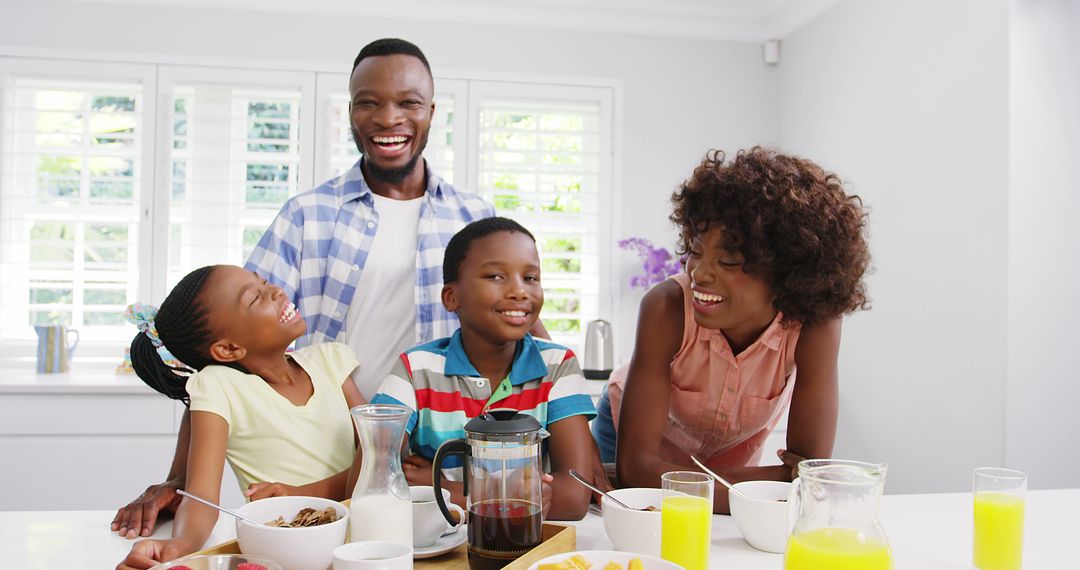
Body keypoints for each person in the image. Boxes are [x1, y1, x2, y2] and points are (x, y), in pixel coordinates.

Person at [111, 38, 504, 538]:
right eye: (369, 102)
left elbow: (521, 327)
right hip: (338, 466)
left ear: (431, 110)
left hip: (441, 450)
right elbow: (220, 355)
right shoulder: (307, 216)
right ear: (350, 112)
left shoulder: (474, 217)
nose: (388, 118)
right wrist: (177, 480)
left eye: (407, 102)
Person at [592, 147, 871, 514]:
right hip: (623, 438)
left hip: (727, 463)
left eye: (728, 261)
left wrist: (675, 482)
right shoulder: (666, 308)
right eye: (694, 251)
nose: (700, 273)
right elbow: (637, 472)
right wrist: (766, 486)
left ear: (788, 273)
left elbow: (810, 475)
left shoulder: (814, 324)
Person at [116, 265, 363, 569]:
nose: (277, 291)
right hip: (288, 555)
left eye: (264, 282)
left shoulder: (330, 360)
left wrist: (304, 494)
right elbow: (200, 497)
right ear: (228, 348)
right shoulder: (218, 387)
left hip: (364, 539)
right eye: (255, 298)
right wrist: (180, 545)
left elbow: (379, 453)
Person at [368, 217, 596, 520]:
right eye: (495, 276)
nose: (519, 291)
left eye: (530, 278)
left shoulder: (558, 366)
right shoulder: (415, 368)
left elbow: (574, 498)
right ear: (452, 297)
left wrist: (445, 488)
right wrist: (517, 499)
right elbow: (376, 480)